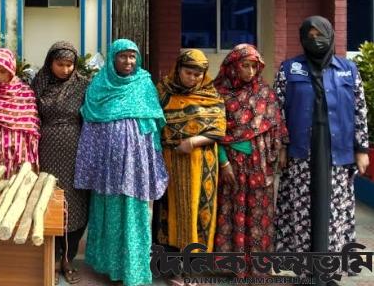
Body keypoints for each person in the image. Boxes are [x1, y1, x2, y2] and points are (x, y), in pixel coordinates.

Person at [274, 16, 369, 284]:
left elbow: (360, 111)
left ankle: (329, 271)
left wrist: (361, 149)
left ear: (331, 35)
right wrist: (281, 146)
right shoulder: (289, 69)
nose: (315, 40)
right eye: (310, 35)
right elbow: (277, 112)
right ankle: (306, 272)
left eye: (320, 34)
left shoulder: (348, 69)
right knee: (302, 210)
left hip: (337, 151)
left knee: (334, 211)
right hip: (301, 152)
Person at [75, 39, 168, 286]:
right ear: (113, 58)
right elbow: (90, 127)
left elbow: (154, 127)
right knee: (110, 214)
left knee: (135, 215)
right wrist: (92, 166)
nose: (128, 61)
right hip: (108, 170)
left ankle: (133, 270)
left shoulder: (144, 84)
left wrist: (151, 163)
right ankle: (110, 267)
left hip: (136, 168)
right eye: (123, 56)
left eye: (132, 56)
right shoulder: (99, 85)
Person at [154, 49, 225, 286]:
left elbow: (219, 129)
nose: (193, 78)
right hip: (170, 162)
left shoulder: (210, 94)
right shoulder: (163, 91)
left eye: (198, 74)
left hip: (202, 164)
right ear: (178, 69)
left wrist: (193, 141)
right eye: (188, 72)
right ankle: (173, 270)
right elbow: (154, 123)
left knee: (198, 214)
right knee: (172, 215)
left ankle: (192, 271)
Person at [213, 44, 287, 265]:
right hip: (232, 163)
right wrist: (223, 162)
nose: (251, 72)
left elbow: (278, 126)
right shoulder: (217, 94)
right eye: (245, 66)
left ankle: (257, 265)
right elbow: (212, 132)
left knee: (258, 213)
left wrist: (280, 151)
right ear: (233, 66)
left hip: (259, 164)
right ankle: (232, 265)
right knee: (231, 211)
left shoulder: (264, 93)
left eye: (255, 66)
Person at [31, 41, 90, 285]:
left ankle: (68, 259)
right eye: (60, 64)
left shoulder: (83, 85)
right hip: (46, 150)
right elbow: (30, 115)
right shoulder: (39, 83)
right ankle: (52, 259)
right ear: (50, 62)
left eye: (69, 64)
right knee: (50, 201)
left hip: (77, 150)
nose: (65, 69)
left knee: (75, 205)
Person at [0, 48, 39, 179]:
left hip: (18, 155)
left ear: (11, 69)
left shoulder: (25, 93)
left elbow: (31, 130)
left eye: (3, 71)